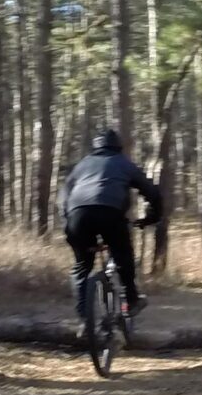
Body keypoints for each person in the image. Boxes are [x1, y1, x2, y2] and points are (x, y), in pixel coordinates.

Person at [61, 127, 162, 320]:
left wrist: (66, 222)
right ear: (118, 147)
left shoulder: (82, 165)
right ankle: (131, 301)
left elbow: (63, 196)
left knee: (82, 266)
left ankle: (84, 320)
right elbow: (152, 192)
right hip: (110, 214)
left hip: (77, 216)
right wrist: (152, 217)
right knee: (123, 255)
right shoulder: (123, 163)